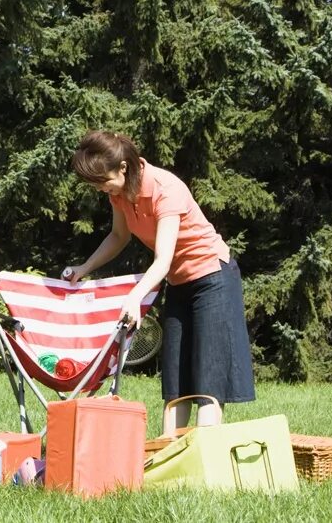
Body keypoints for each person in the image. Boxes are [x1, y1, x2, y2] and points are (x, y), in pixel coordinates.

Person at [65, 130, 255, 427]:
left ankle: (203, 465)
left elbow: (163, 259)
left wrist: (136, 295)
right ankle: (170, 456)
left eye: (103, 182)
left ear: (124, 168)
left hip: (213, 278)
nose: (101, 190)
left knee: (209, 382)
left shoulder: (166, 188)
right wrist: (84, 267)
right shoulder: (120, 194)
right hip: (180, 282)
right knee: (175, 381)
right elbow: (118, 236)